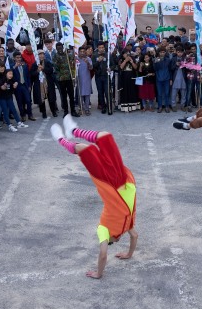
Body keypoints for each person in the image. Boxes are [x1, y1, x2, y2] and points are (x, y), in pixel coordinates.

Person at [50, 117, 138, 279]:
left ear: (112, 239)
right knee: (105, 136)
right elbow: (134, 236)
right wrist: (128, 254)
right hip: (122, 178)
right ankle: (74, 131)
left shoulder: (103, 230)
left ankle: (62, 139)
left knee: (85, 149)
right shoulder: (126, 227)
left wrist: (99, 273)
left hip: (107, 183)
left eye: (115, 240)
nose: (118, 239)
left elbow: (104, 253)